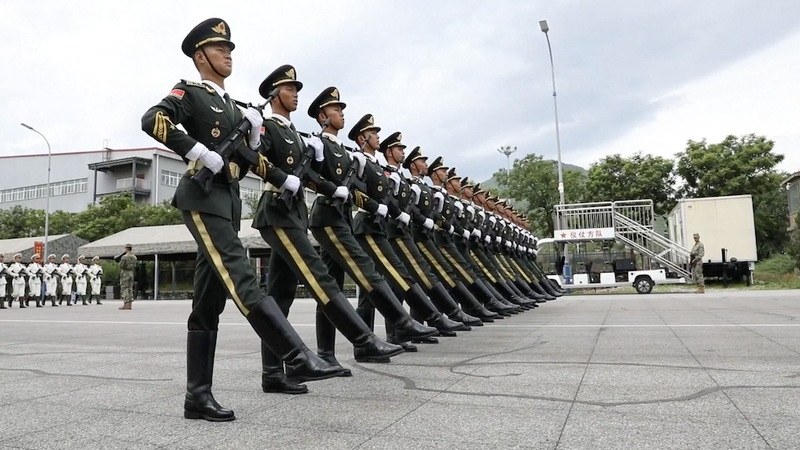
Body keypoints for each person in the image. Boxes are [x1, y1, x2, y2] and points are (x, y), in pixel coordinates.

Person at [141, 18, 345, 422]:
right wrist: (197, 150)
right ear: (201, 56)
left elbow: (252, 159)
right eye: (220, 50)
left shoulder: (235, 107)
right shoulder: (190, 92)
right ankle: (296, 355)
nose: (228, 55)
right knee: (240, 271)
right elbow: (153, 120)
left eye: (231, 50)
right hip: (201, 196)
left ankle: (197, 397)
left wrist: (251, 139)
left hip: (228, 201)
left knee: (207, 302)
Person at [252, 67, 404, 395]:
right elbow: (253, 157)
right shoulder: (268, 126)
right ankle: (364, 339)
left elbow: (314, 175)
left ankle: (273, 373)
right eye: (289, 89)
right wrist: (281, 176)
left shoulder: (297, 135)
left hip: (294, 213)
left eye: (296, 89)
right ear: (275, 95)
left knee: (280, 296)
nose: (295, 93)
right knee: (319, 276)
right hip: (276, 210)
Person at [304, 87, 438, 382]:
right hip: (329, 217)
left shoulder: (349, 155)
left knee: (334, 287)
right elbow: (309, 176)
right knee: (361, 276)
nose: (341, 113)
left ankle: (335, 352)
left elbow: (360, 191)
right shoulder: (320, 146)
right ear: (323, 116)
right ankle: (396, 326)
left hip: (343, 220)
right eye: (336, 109)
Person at [345, 115, 465, 345]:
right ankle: (376, 339)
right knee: (379, 283)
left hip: (384, 226)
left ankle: (398, 333)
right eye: (399, 148)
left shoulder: (387, 171)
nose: (402, 151)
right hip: (371, 224)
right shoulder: (368, 164)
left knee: (389, 281)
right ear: (390, 152)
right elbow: (359, 191)